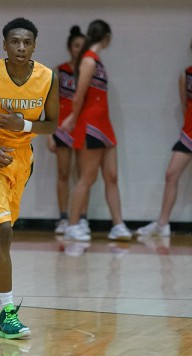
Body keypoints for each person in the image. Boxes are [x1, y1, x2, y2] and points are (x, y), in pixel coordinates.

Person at [0, 18, 58, 339]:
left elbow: (51, 125)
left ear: (34, 45)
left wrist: (21, 125)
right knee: (5, 232)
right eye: (15, 42)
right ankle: (7, 313)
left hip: (21, 160)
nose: (21, 48)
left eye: (27, 42)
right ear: (5, 45)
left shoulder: (48, 77)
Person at [61, 20, 132, 242]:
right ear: (107, 37)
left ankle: (118, 225)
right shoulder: (89, 61)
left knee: (112, 176)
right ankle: (72, 225)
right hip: (91, 125)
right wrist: (72, 118)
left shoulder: (96, 60)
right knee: (87, 178)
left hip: (104, 125)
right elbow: (79, 95)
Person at [137, 39, 192, 237]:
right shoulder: (186, 75)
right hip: (189, 134)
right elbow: (186, 107)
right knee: (171, 174)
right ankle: (162, 224)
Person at [48, 26, 89, 235]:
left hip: (83, 127)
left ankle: (82, 218)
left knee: (83, 174)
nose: (79, 50)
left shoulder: (89, 70)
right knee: (63, 173)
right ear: (69, 47)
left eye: (83, 47)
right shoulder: (60, 70)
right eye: (76, 46)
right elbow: (52, 103)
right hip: (63, 127)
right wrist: (49, 133)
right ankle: (64, 218)